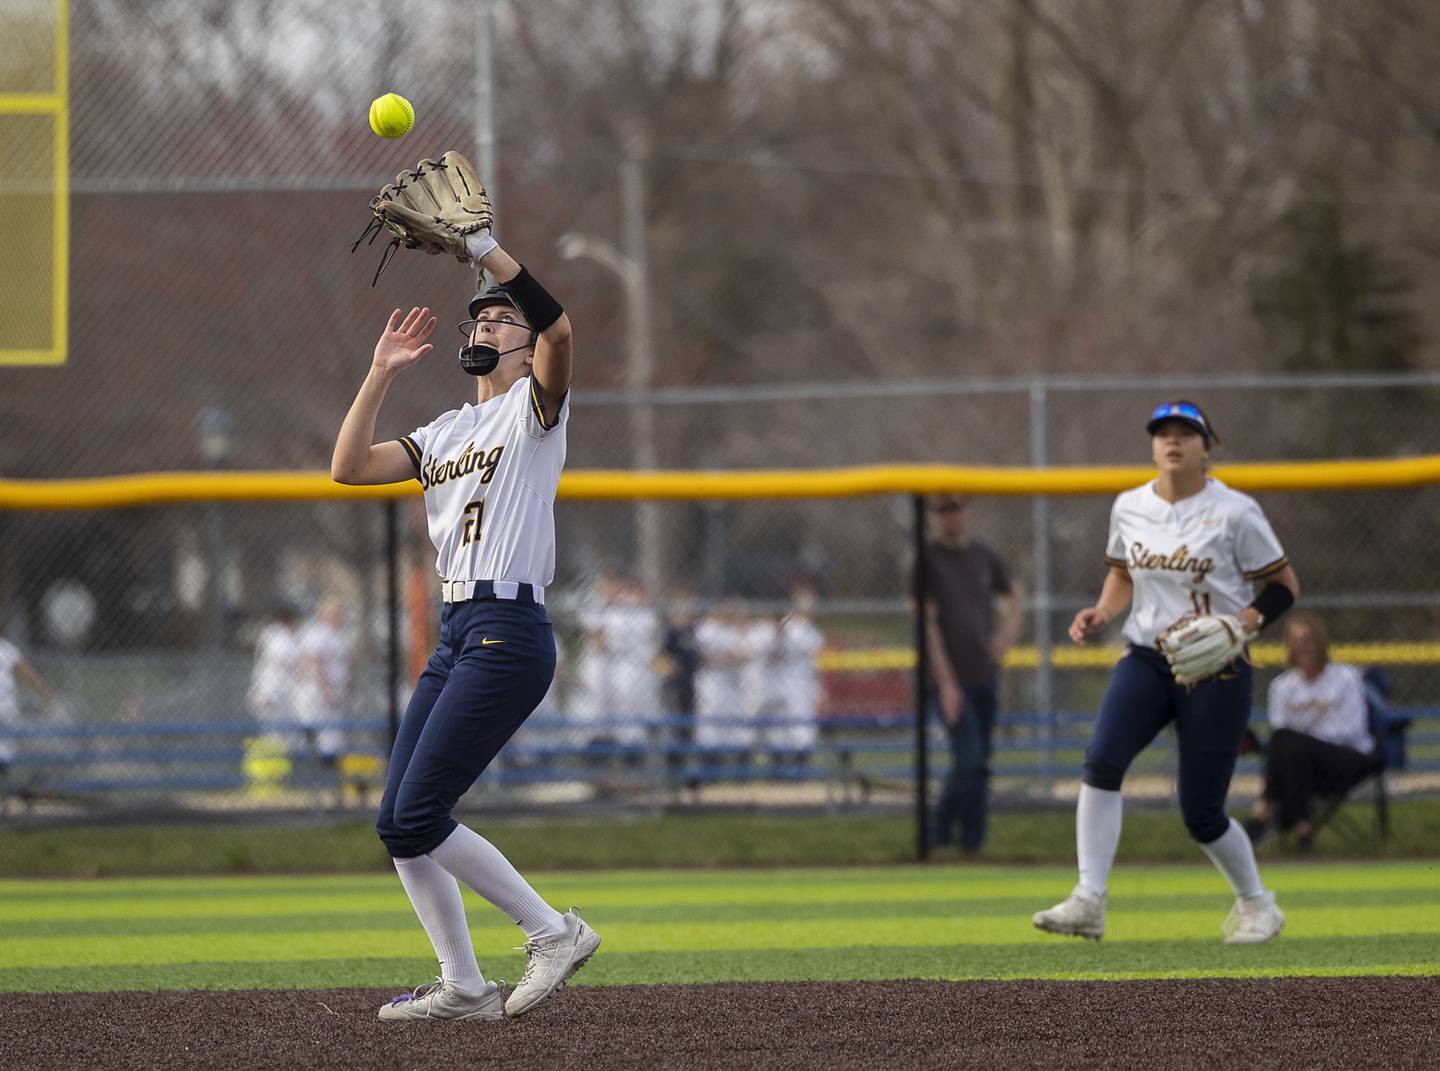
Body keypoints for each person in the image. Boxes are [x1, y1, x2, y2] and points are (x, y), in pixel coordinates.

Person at [331, 194, 598, 1022]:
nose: (483, 328)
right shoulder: (446, 430)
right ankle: (465, 985)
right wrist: (379, 373)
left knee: (419, 810)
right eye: (478, 320)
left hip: (510, 632)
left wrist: (484, 246)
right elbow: (347, 468)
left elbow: (558, 332)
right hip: (458, 634)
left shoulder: (536, 412)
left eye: (499, 320)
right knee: (396, 823)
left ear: (521, 346)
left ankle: (553, 930)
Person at [1033, 401, 1301, 945]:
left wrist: (1240, 625)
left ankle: (1257, 905)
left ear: (1207, 446)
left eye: (1186, 432)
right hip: (1148, 656)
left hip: (1218, 665)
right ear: (1152, 446)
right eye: (1162, 433)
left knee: (1201, 812)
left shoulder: (1235, 511)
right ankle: (1090, 899)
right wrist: (1103, 612)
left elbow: (1283, 588)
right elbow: (1121, 575)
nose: (1172, 441)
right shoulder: (1130, 506)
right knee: (1102, 761)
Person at [917, 494, 1022, 854]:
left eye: (956, 508)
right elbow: (927, 625)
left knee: (981, 764)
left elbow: (1014, 594)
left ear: (967, 512)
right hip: (948, 679)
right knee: (970, 761)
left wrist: (1006, 635)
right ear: (932, 517)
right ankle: (938, 831)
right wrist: (946, 683)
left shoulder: (983, 555)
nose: (950, 517)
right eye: (942, 510)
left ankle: (972, 842)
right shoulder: (926, 560)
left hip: (984, 674)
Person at [1245, 612, 1379, 850]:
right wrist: (1303, 742)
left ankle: (1264, 811)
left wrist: (1306, 739)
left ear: (1320, 642)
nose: (1302, 648)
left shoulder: (1346, 678)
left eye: (1307, 640)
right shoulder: (1282, 687)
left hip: (1347, 759)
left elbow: (1351, 730)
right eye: (1295, 641)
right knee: (1286, 746)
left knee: (1288, 742)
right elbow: (1281, 735)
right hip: (1303, 767)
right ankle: (1303, 830)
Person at [292, 596, 352, 765]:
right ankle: (314, 774)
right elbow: (315, 664)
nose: (340, 616)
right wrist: (326, 692)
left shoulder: (339, 635)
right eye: (335, 612)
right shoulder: (318, 633)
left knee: (334, 740)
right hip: (321, 695)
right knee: (319, 736)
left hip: (336, 695)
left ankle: (328, 776)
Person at [0, 633, 55, 786]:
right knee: (6, 745)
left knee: (6, 744)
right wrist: (45, 693)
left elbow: (27, 673)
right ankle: (5, 779)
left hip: (6, 707)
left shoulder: (7, 648)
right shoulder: (6, 648)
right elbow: (28, 674)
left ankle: (4, 781)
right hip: (6, 706)